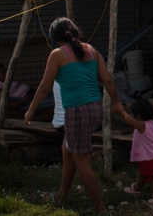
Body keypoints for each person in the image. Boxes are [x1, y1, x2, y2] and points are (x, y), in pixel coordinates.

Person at [25, 17, 123, 214]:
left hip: (77, 112)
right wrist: (116, 103)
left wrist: (31, 110)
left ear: (54, 38)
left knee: (82, 161)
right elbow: (108, 81)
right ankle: (61, 196)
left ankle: (100, 207)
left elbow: (44, 87)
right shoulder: (92, 51)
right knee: (67, 148)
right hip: (95, 109)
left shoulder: (57, 55)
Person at [120, 100, 153, 204]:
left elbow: (130, 121)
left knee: (152, 178)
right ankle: (136, 189)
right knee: (142, 173)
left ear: (139, 116)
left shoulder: (142, 125)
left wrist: (121, 112)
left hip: (149, 157)